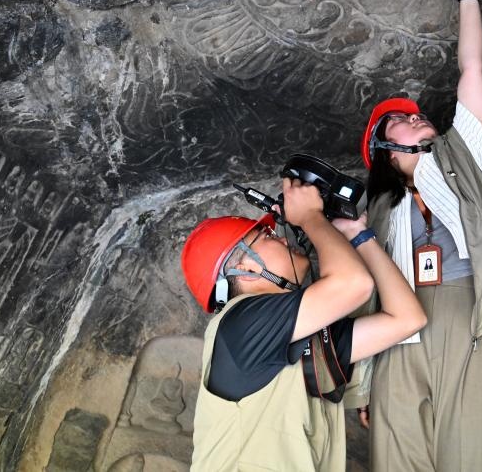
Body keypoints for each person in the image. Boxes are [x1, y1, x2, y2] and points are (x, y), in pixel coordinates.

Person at [349, 0, 482, 471]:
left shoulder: (467, 155)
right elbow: (367, 290)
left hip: (471, 315)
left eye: (416, 113)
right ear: (381, 150)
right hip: (399, 327)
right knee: (398, 455)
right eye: (398, 119)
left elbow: (472, 69)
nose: (415, 115)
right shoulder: (374, 208)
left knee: (477, 451)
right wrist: (369, 381)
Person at [181, 176, 427, 472]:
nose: (284, 239)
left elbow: (407, 318)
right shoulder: (239, 325)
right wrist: (310, 217)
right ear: (245, 269)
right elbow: (354, 285)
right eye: (268, 237)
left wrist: (357, 236)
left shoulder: (306, 336)